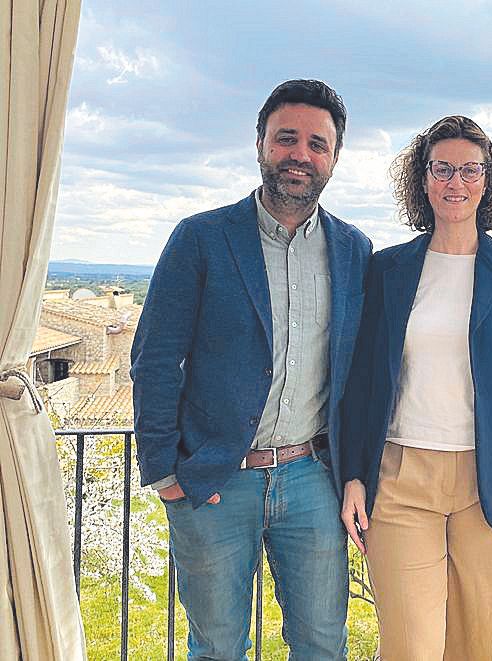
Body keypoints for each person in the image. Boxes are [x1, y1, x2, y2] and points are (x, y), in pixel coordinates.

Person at [130, 79, 371, 660]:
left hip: (314, 479)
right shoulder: (201, 238)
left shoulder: (354, 249)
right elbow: (156, 356)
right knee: (216, 648)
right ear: (260, 142)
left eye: (317, 144)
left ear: (334, 158)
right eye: (287, 138)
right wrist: (165, 470)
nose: (300, 155)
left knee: (321, 644)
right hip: (215, 480)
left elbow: (361, 373)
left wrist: (357, 471)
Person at [339, 115, 492, 661]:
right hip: (401, 477)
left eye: (469, 170)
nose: (455, 182)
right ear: (424, 178)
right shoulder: (387, 269)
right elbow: (362, 382)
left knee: (473, 647)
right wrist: (353, 477)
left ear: (488, 181)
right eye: (442, 169)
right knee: (410, 648)